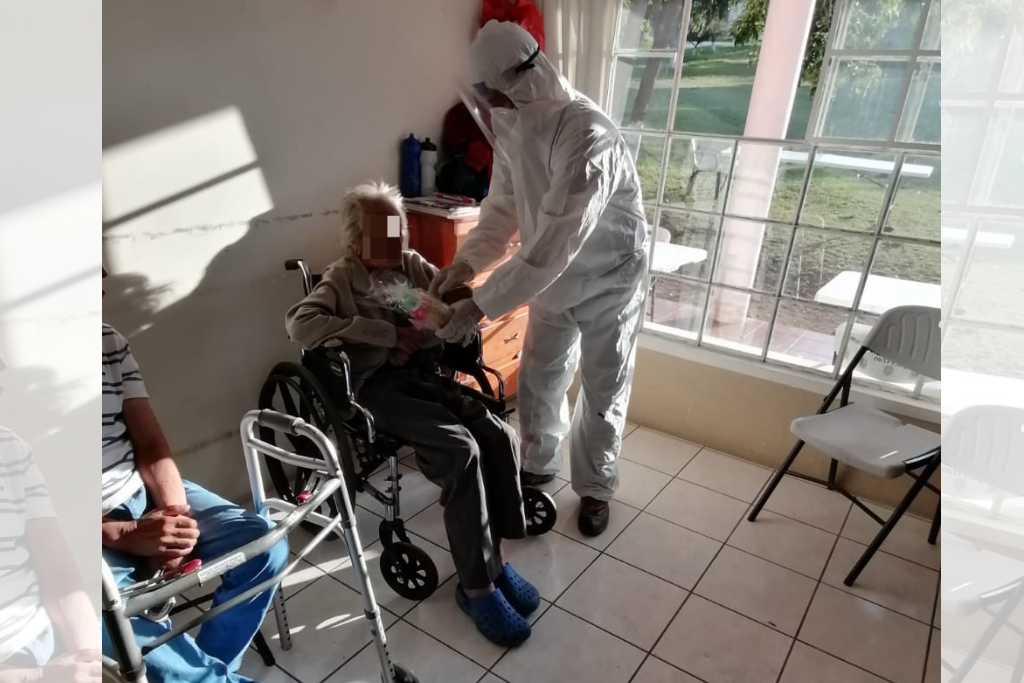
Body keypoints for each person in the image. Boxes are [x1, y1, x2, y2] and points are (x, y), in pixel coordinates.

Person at [285, 181, 538, 648]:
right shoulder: (342, 277)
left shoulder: (410, 265)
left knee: (497, 433)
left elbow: (448, 302)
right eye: (382, 232)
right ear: (355, 242)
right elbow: (300, 324)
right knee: (460, 451)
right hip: (376, 389)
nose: (395, 240)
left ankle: (495, 562)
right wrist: (383, 334)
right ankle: (476, 588)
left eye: (397, 230)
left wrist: (443, 314)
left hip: (423, 376)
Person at [431, 21, 649, 537]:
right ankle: (538, 465)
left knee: (603, 387)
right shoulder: (514, 124)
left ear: (523, 78)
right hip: (549, 280)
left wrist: (478, 304)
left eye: (496, 96)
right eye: (487, 99)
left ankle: (595, 487)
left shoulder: (588, 136)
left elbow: (554, 242)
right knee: (540, 378)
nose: (493, 107)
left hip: (609, 279)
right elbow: (503, 207)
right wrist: (465, 264)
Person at [100, 298, 289, 683]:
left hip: (138, 491)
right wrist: (122, 533)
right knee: (114, 627)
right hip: (71, 530)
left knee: (265, 547)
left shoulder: (107, 341)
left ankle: (211, 669)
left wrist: (176, 522)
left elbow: (150, 442)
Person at [0, 426, 101, 683]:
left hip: (44, 638)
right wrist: (33, 677)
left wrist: (89, 660)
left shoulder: (9, 446)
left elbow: (58, 571)